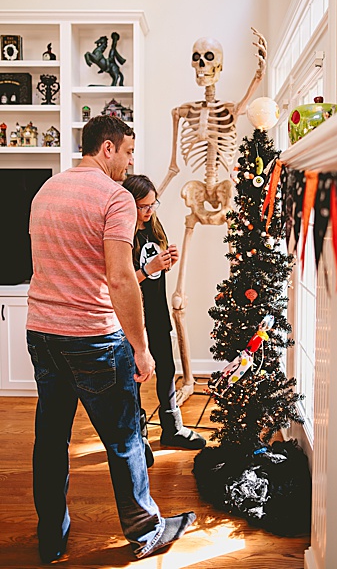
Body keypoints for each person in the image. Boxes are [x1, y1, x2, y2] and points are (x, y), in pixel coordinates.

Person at [27, 116, 195, 563]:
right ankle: (146, 532)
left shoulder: (46, 190)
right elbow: (121, 279)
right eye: (127, 153)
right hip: (92, 339)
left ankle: (51, 537)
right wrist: (142, 348)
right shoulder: (114, 197)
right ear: (106, 148)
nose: (129, 162)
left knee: (51, 439)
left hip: (42, 333)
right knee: (124, 440)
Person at [123, 174, 206, 450]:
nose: (150, 211)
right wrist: (149, 269)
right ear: (129, 204)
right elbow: (120, 281)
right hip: (135, 317)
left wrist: (167, 261)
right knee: (133, 376)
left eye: (153, 204)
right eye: (144, 206)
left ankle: (172, 428)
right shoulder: (121, 234)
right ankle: (138, 436)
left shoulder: (152, 227)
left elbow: (155, 268)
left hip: (157, 313)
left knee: (167, 370)